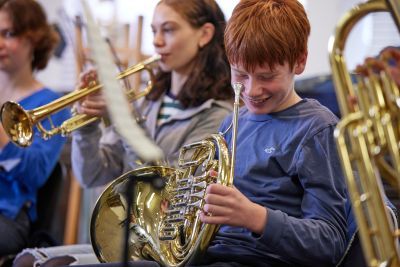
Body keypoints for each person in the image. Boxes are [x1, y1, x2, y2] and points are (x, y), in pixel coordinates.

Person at [13, 0, 233, 266]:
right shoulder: (148, 103)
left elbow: (166, 193)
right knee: (26, 260)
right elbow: (91, 174)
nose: (157, 42)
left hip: (163, 249)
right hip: (127, 239)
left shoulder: (218, 114)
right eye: (153, 31)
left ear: (205, 34)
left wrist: (125, 118)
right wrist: (88, 124)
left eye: (169, 30)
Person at [0, 0, 69, 258]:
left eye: (9, 34)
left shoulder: (50, 105)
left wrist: (2, 137)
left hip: (8, 215)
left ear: (34, 39)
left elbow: (37, 173)